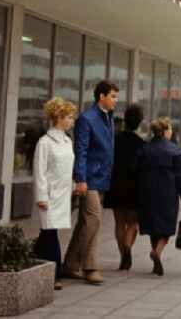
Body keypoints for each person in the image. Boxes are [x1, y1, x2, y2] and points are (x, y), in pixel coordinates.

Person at [63, 80, 118, 285]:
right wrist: (80, 178)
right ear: (101, 96)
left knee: (85, 223)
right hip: (89, 179)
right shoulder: (87, 118)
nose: (115, 100)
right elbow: (81, 151)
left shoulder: (108, 118)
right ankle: (89, 267)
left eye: (116, 96)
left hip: (102, 178)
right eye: (112, 96)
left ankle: (69, 265)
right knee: (94, 220)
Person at [136, 117, 181, 276]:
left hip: (147, 193)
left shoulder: (144, 149)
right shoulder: (175, 151)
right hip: (167, 194)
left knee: (154, 227)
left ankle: (156, 253)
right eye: (170, 130)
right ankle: (157, 251)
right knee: (166, 228)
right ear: (166, 131)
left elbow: (137, 172)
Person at [33, 97, 77, 290]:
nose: (72, 120)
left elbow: (67, 168)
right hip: (49, 196)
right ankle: (54, 274)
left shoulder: (68, 141)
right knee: (50, 233)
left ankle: (34, 261)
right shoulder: (45, 143)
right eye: (69, 117)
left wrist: (74, 186)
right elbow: (39, 172)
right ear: (59, 118)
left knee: (49, 232)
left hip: (63, 195)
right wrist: (41, 197)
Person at [104, 103, 144, 271]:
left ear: (125, 120)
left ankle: (123, 256)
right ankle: (127, 247)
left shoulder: (114, 140)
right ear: (139, 122)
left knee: (119, 222)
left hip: (116, 184)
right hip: (134, 186)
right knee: (133, 223)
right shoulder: (141, 143)